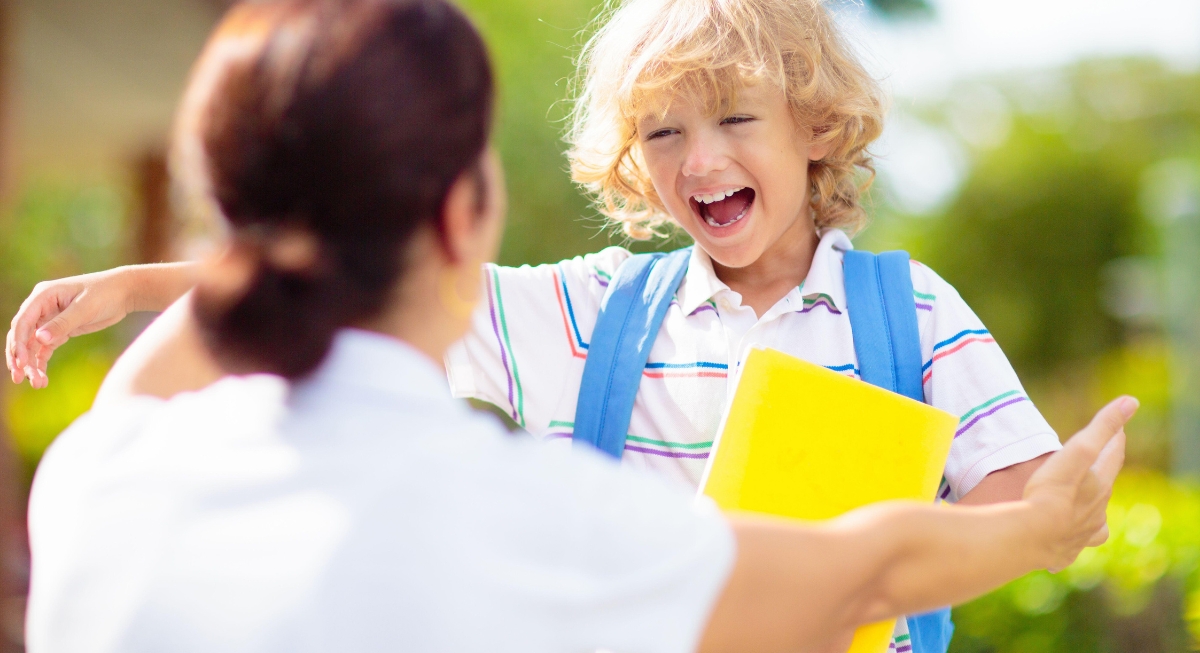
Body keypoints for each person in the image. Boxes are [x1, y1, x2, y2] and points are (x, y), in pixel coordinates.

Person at [13, 1, 1129, 652]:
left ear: (818, 130)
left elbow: (1012, 482)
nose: (699, 159)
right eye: (662, 133)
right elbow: (343, 270)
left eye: (736, 117)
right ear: (463, 221)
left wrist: (1029, 512)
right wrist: (134, 282)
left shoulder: (912, 307)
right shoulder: (591, 312)